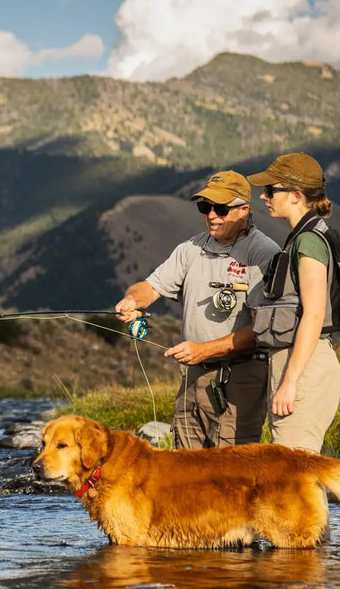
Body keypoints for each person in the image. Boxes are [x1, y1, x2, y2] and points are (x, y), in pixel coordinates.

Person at [113, 170, 279, 448]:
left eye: (221, 208)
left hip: (241, 378)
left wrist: (204, 350)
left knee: (229, 469)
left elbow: (263, 329)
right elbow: (150, 287)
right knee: (186, 468)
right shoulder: (190, 248)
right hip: (193, 376)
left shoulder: (263, 253)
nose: (212, 215)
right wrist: (131, 300)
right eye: (206, 207)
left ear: (244, 210)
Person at [244, 152, 340, 453]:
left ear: (296, 196)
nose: (264, 195)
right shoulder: (302, 237)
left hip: (303, 368)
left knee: (292, 476)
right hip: (299, 363)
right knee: (300, 480)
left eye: (271, 190)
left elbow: (313, 314)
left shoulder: (308, 242)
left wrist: (290, 382)